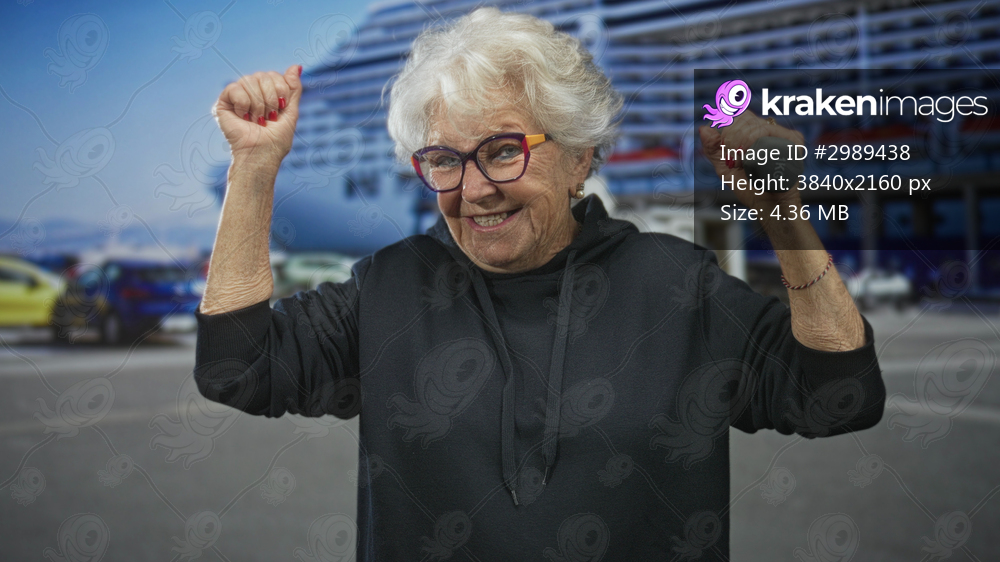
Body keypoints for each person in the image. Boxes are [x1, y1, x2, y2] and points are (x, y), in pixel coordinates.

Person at [195, 7, 885, 560]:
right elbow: (236, 369)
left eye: (502, 151)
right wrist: (254, 165)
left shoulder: (678, 286)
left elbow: (838, 398)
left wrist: (781, 211)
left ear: (580, 156)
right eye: (444, 160)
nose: (473, 190)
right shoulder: (388, 288)